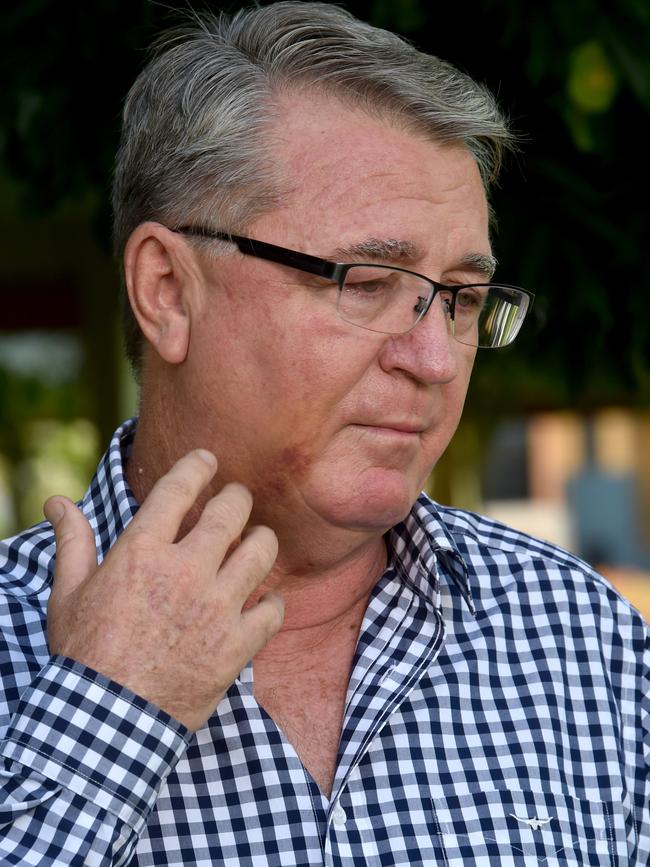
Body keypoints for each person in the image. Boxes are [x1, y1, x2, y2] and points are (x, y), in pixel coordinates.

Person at [0, 2, 647, 864]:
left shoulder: (582, 640)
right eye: (368, 281)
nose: (436, 359)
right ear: (167, 289)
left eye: (458, 298)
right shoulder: (14, 639)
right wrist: (110, 710)